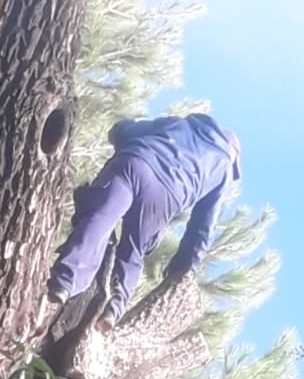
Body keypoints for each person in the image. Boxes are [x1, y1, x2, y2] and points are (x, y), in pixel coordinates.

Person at [47, 113, 241, 326]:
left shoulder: (181, 124)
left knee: (99, 218)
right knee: (134, 251)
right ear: (232, 153)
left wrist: (119, 133)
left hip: (134, 162)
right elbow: (202, 227)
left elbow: (126, 131)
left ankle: (64, 282)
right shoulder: (222, 168)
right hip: (165, 195)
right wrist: (184, 270)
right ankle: (113, 309)